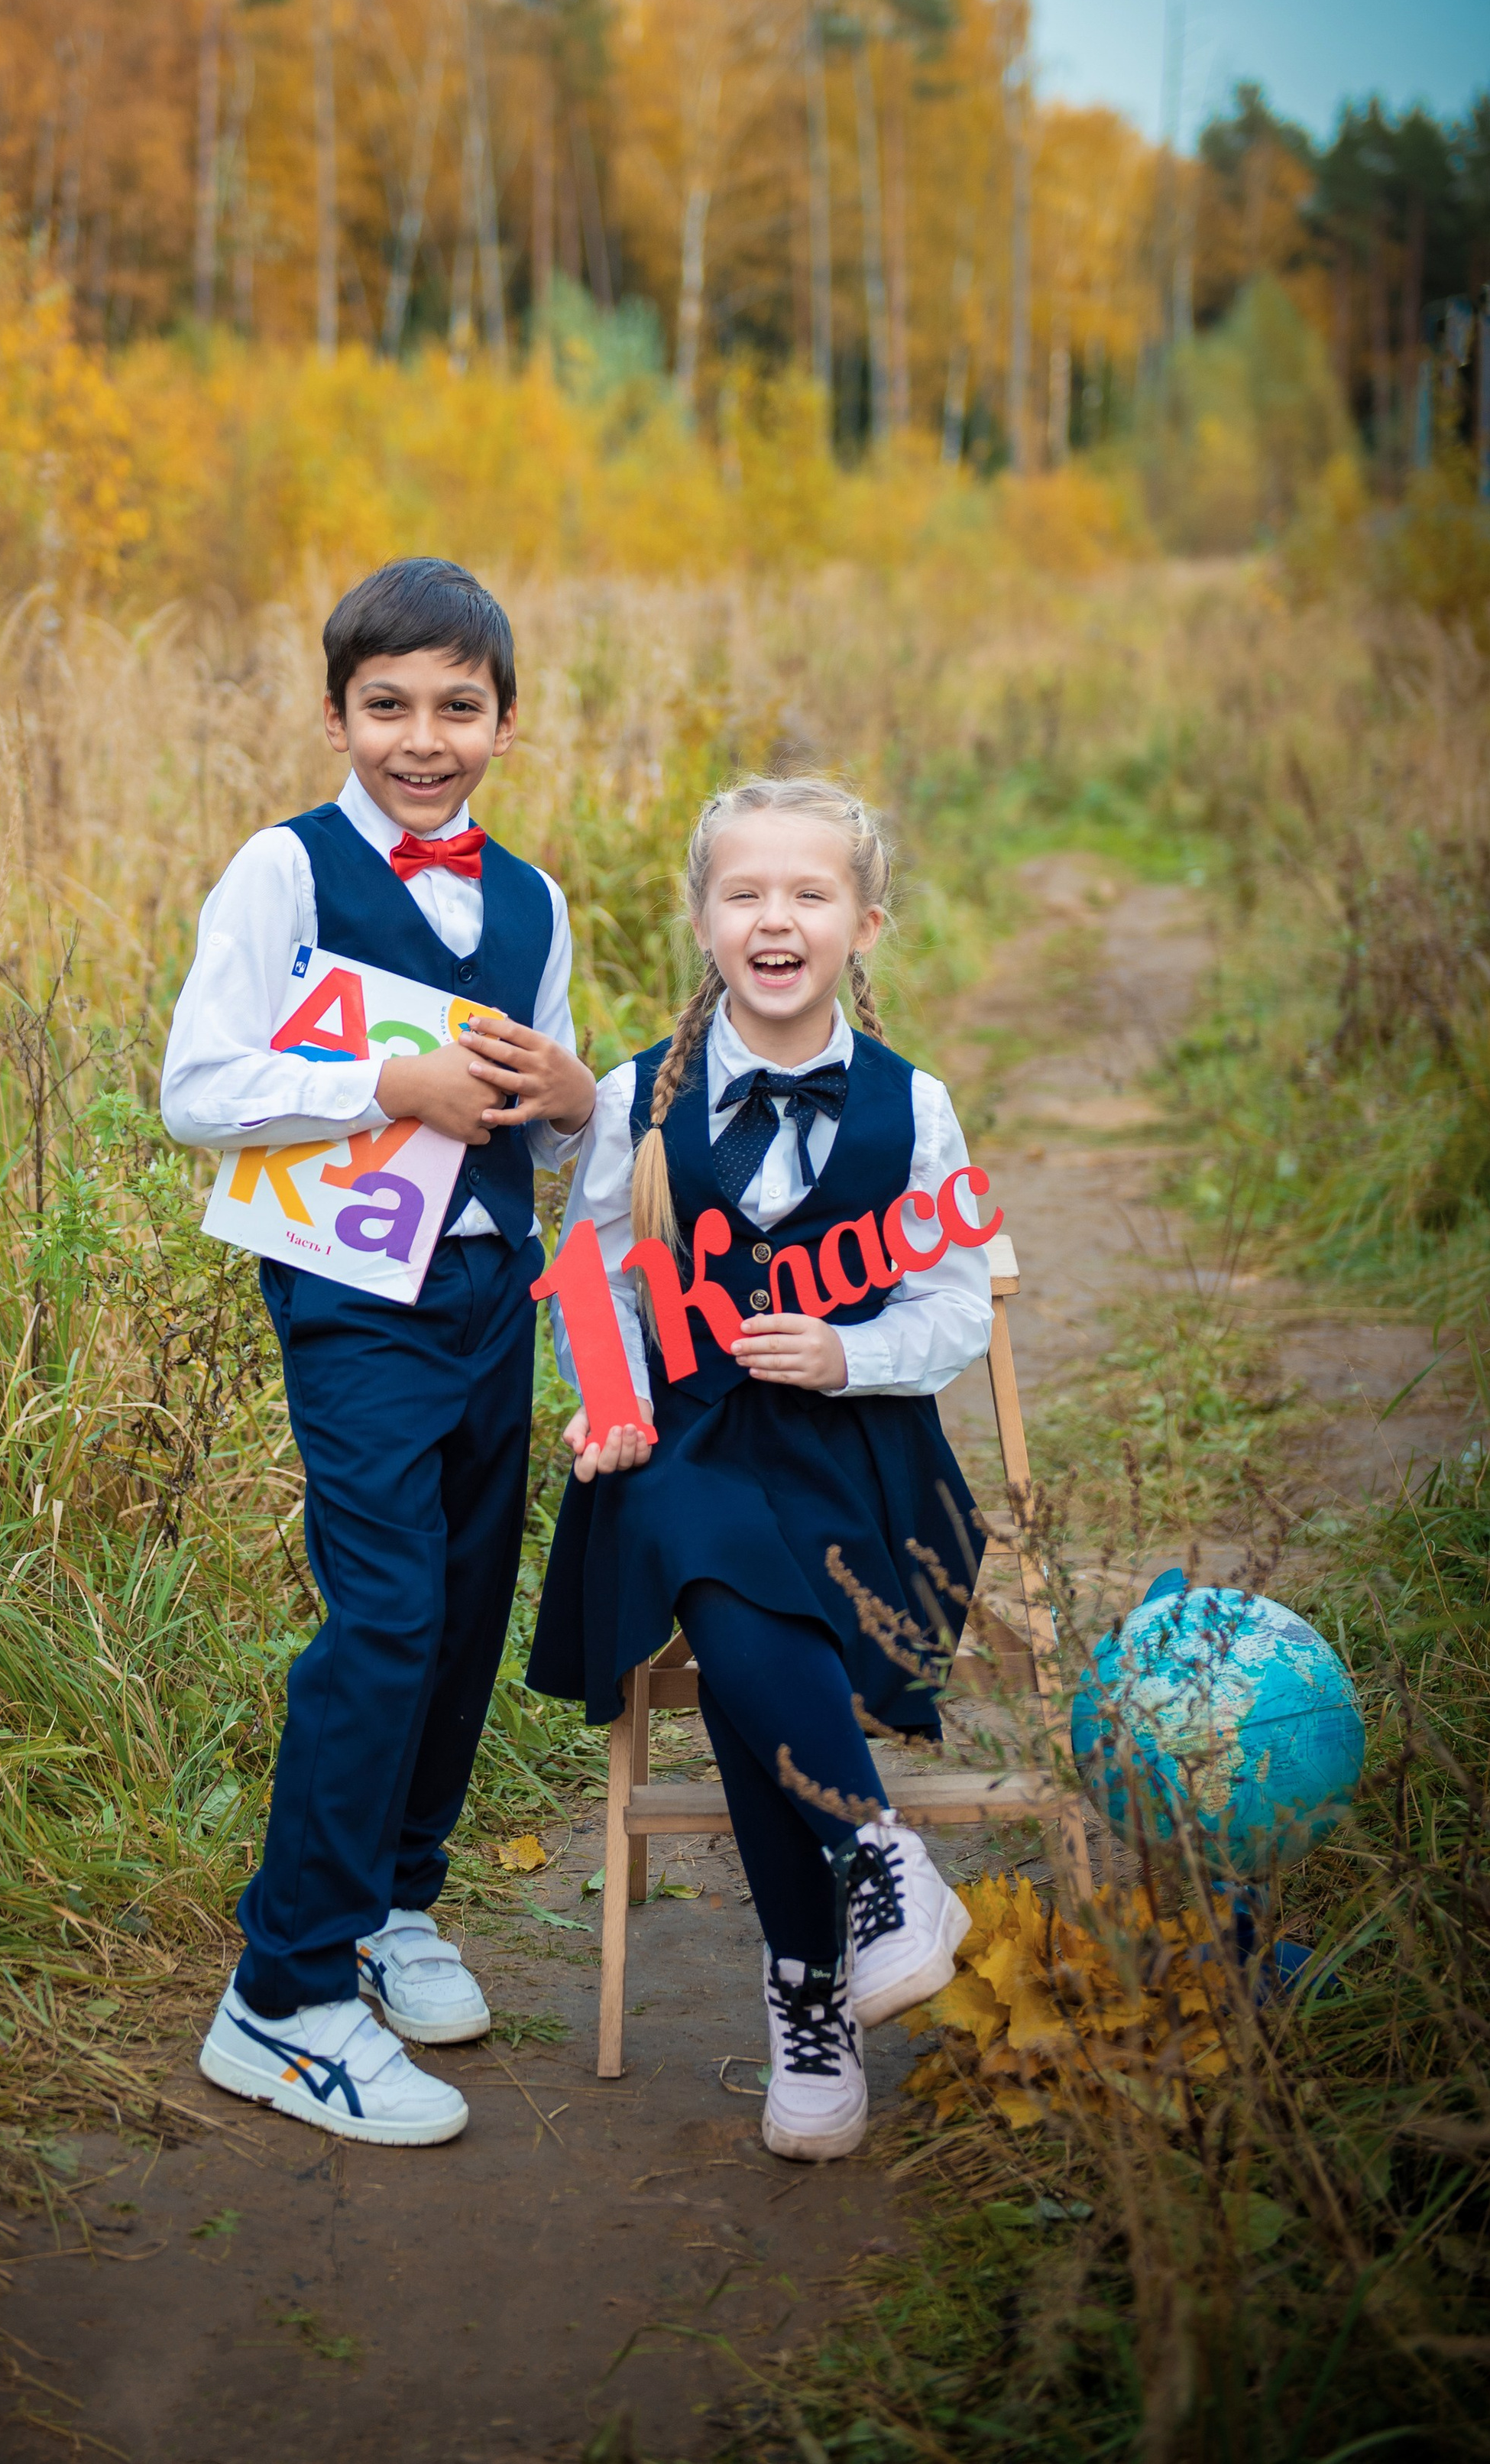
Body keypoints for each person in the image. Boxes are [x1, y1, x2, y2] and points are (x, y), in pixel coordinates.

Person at [162, 558, 595, 2147]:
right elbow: (196, 1086)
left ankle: (392, 1899)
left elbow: (548, 1144)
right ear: (336, 711)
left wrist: (573, 1096)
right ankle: (281, 1995)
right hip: (354, 1302)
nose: (424, 739)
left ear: (501, 717)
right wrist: (383, 1087)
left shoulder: (533, 899)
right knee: (389, 1613)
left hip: (493, 1291)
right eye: (388, 706)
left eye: (457, 708)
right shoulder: (283, 871)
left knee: (470, 1601)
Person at [528, 777, 988, 2162]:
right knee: (693, 1524)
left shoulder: (915, 1106)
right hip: (689, 1438)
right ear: (701, 920)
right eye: (745, 893)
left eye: (810, 893)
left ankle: (811, 1989)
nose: (775, 918)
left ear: (865, 923)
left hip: (861, 1454)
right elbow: (596, 1284)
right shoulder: (634, 1101)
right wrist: (609, 1403)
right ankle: (877, 1864)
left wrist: (854, 1358)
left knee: (737, 1616)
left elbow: (957, 1303)